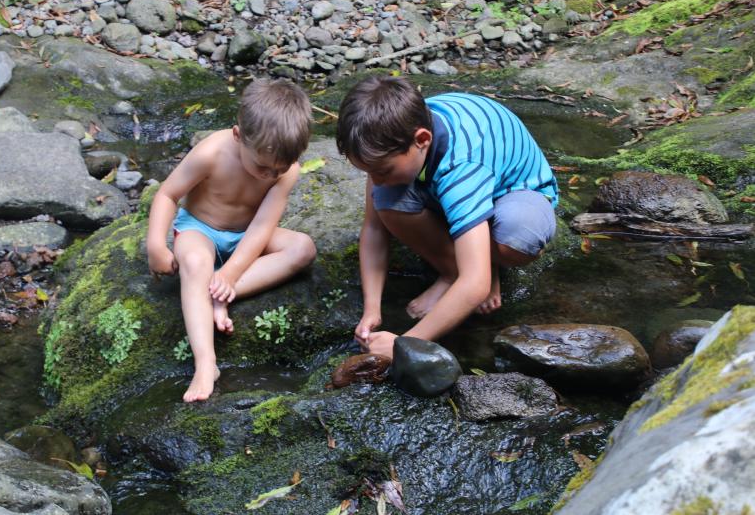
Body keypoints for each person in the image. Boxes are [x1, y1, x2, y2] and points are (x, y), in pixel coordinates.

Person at [335, 75, 558, 359]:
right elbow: (374, 229)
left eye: (382, 171)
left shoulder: (460, 167)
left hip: (513, 192)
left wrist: (403, 345)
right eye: (368, 171)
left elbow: (476, 286)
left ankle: (481, 265)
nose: (374, 180)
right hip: (448, 187)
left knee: (516, 239)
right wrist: (371, 309)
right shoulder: (388, 137)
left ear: (422, 140)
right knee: (387, 200)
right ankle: (454, 270)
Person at [146, 79, 317, 402]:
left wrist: (231, 274)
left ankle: (217, 294)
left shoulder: (287, 169)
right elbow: (168, 194)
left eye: (277, 171)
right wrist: (156, 244)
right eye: (262, 166)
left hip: (247, 235)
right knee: (195, 263)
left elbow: (263, 226)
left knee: (302, 248)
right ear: (239, 136)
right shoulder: (211, 152)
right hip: (200, 228)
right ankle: (206, 362)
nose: (269, 176)